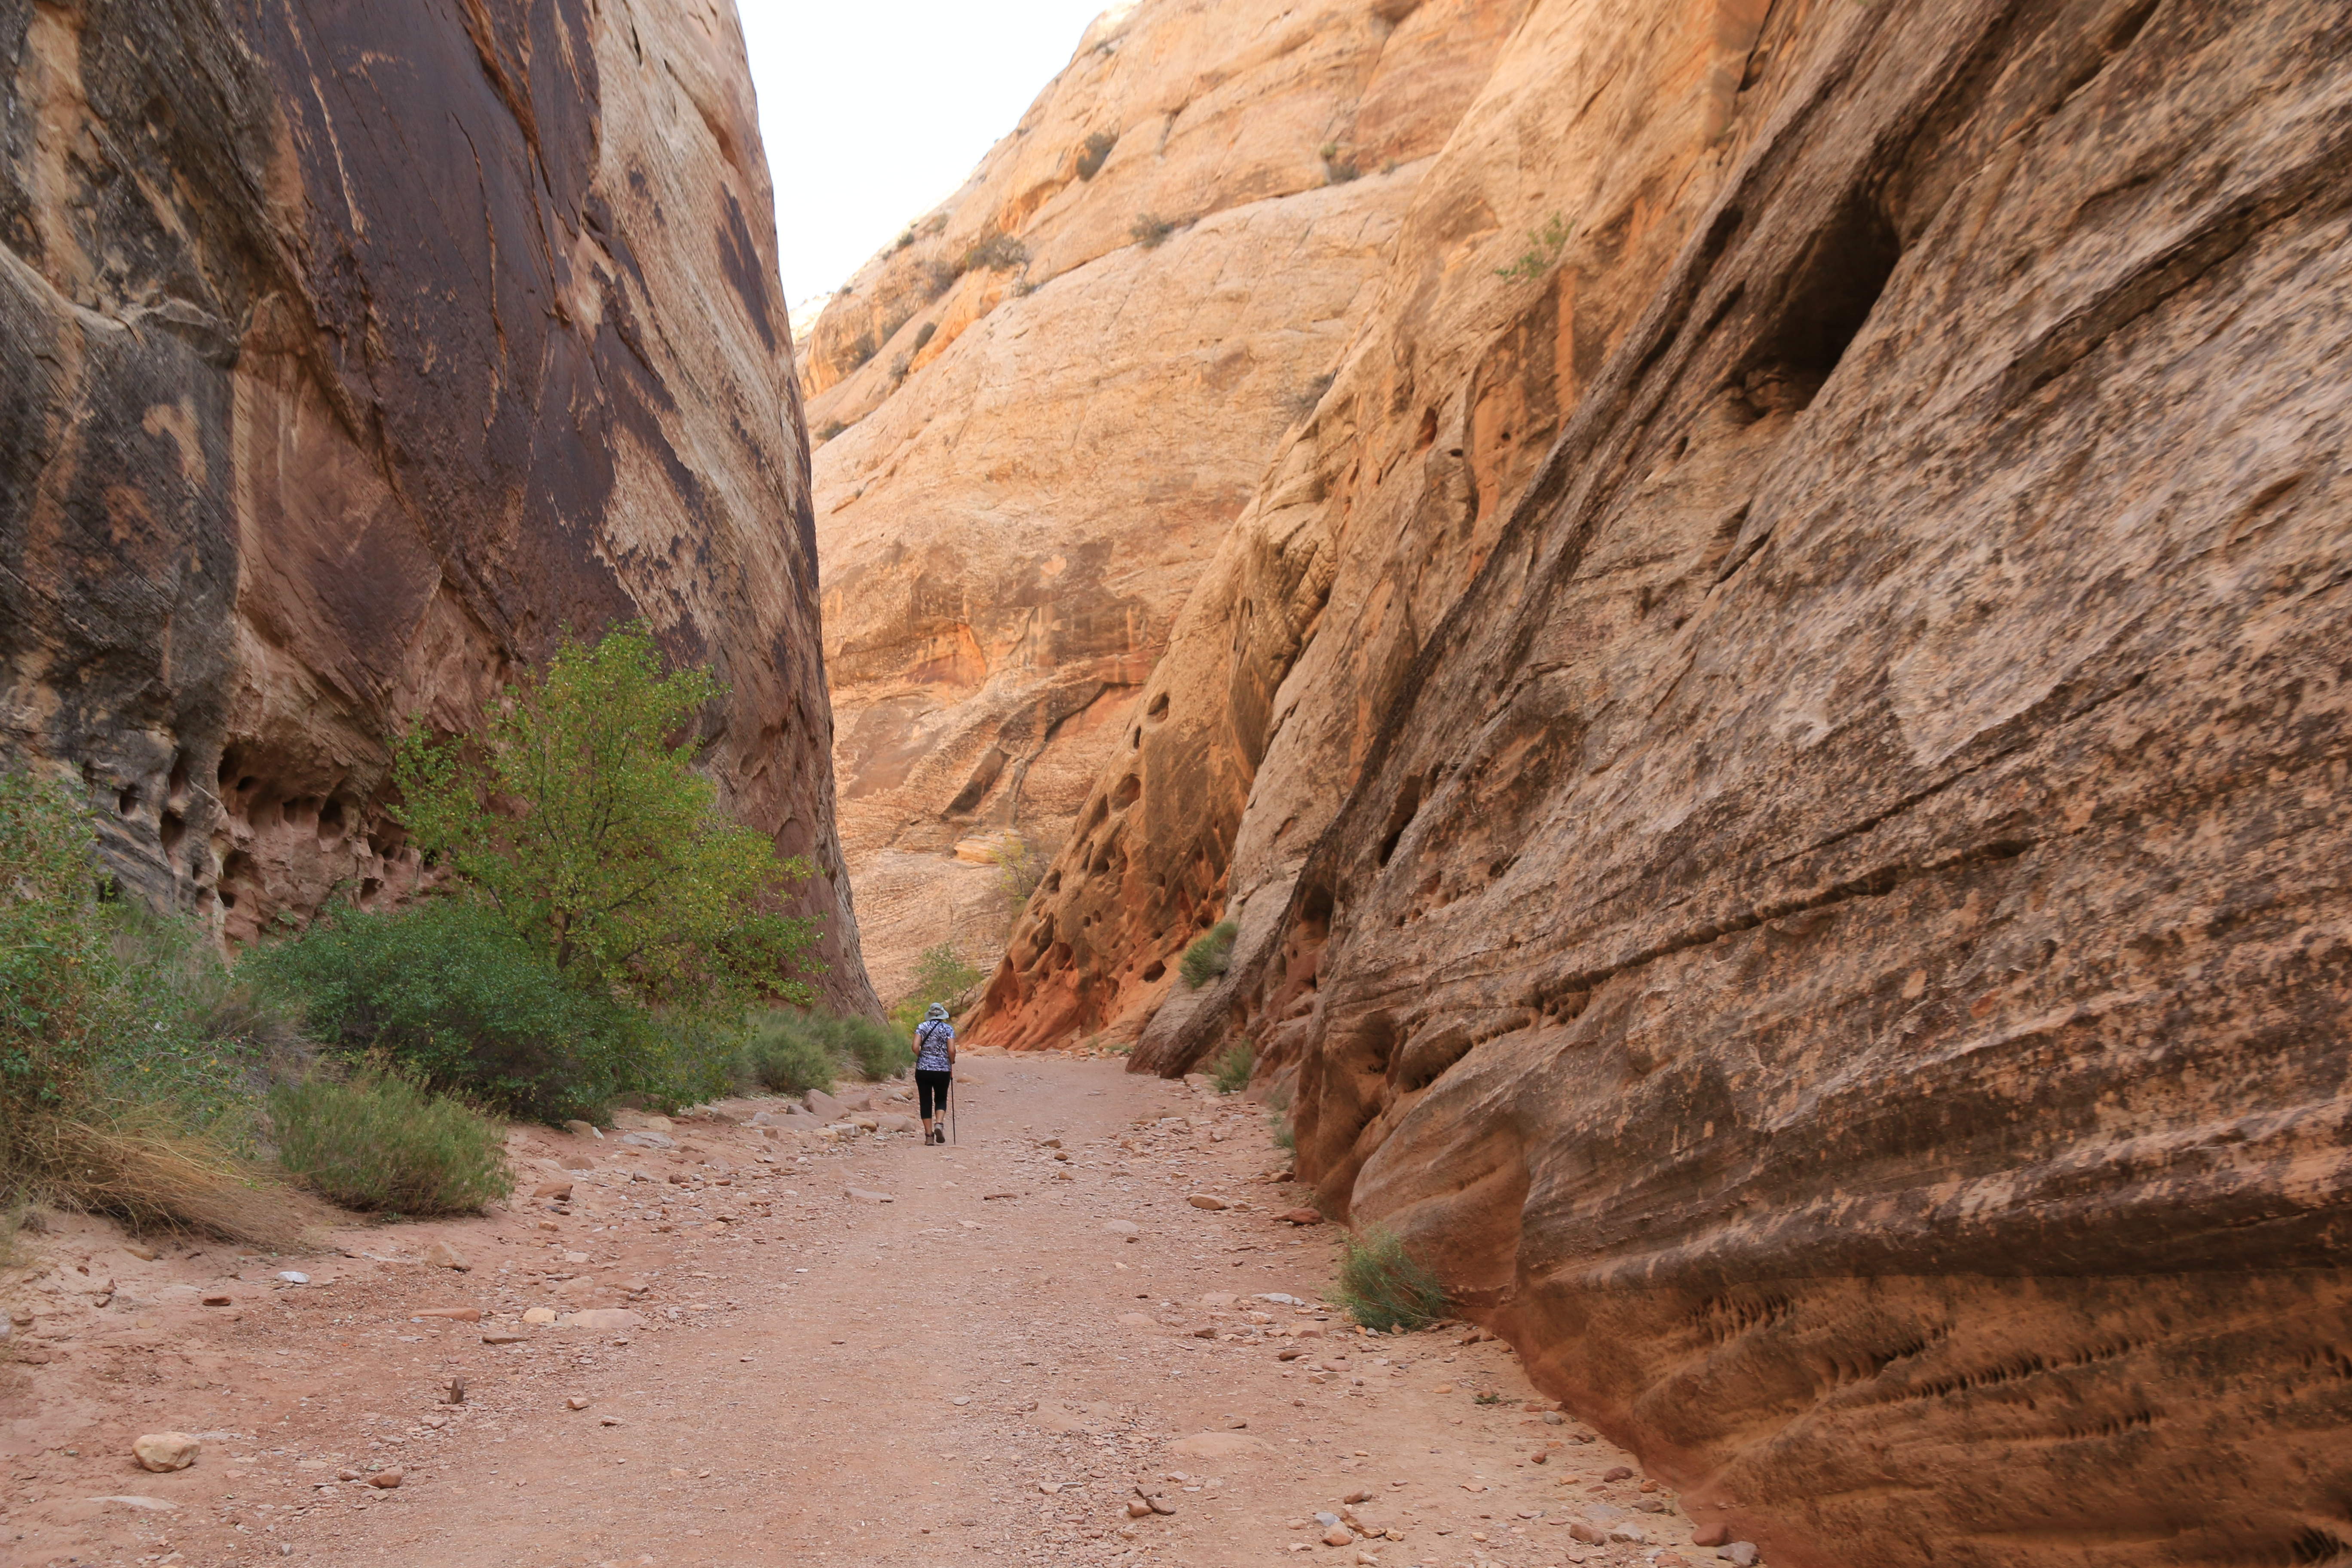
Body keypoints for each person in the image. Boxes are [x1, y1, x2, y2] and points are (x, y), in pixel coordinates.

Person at [914, 1002, 956, 1145]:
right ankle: (939, 1123)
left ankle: (929, 1136)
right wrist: (952, 1061)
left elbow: (915, 1047)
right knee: (941, 1098)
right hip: (942, 1070)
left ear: (930, 1014)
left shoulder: (922, 1027)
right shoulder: (948, 1029)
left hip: (923, 1070)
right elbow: (951, 1050)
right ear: (942, 1015)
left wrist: (923, 1057)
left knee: (925, 1101)